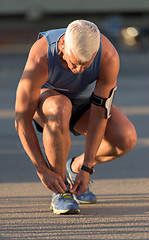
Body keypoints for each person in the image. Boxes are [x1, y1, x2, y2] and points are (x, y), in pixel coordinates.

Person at [15, 20, 137, 215]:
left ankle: (72, 168)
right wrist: (42, 170)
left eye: (85, 65)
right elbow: (21, 119)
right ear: (62, 46)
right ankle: (61, 188)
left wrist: (86, 168)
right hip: (48, 105)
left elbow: (99, 115)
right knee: (60, 106)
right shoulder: (41, 56)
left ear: (95, 53)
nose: (79, 70)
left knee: (126, 138)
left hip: (83, 105)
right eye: (73, 63)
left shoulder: (108, 56)